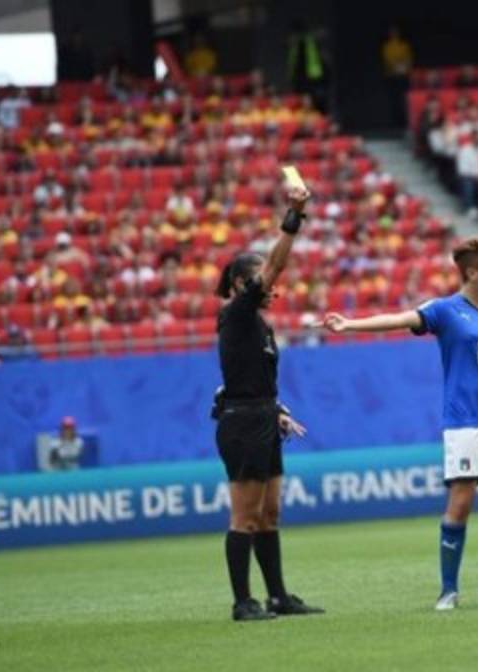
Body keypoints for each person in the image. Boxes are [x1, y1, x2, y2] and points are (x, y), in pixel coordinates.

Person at [323, 237, 478, 610]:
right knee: (461, 502)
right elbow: (400, 319)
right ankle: (449, 590)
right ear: (472, 271)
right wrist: (350, 324)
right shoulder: (446, 310)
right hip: (465, 420)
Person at [213, 180, 324, 621]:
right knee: (245, 515)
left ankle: (277, 596)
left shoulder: (259, 325)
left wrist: (275, 410)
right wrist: (293, 218)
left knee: (270, 512)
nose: (274, 284)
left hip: (261, 416)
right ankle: (243, 602)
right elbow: (277, 264)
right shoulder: (237, 313)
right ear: (242, 283)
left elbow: (249, 377)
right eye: (261, 277)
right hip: (242, 425)